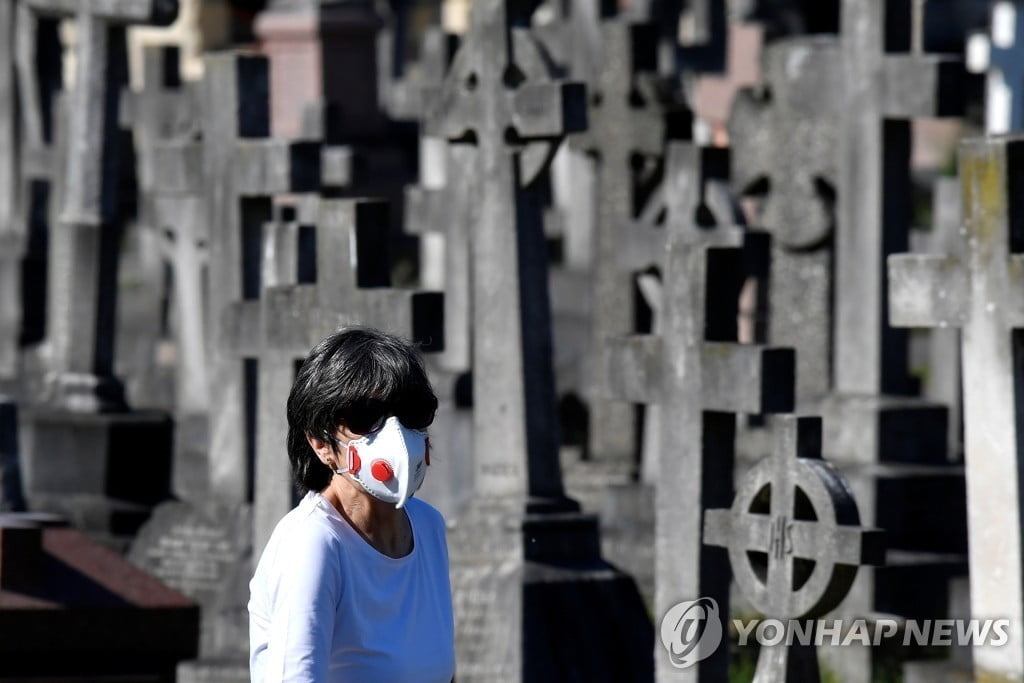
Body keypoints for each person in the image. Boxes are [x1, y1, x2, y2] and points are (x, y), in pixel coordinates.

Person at [249, 327, 456, 682]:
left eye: (413, 412)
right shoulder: (312, 545)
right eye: (364, 417)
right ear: (320, 443)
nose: (396, 434)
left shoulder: (428, 526)